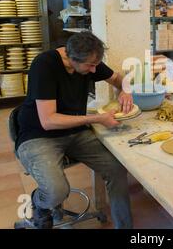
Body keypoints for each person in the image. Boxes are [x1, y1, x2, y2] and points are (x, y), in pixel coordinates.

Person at [16, 32, 133, 229]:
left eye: (96, 64)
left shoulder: (88, 60)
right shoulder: (44, 65)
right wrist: (98, 118)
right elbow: (48, 121)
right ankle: (39, 202)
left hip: (75, 132)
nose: (95, 70)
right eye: (90, 66)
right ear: (70, 58)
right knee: (56, 191)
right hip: (38, 135)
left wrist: (126, 90)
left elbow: (118, 78)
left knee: (117, 169)